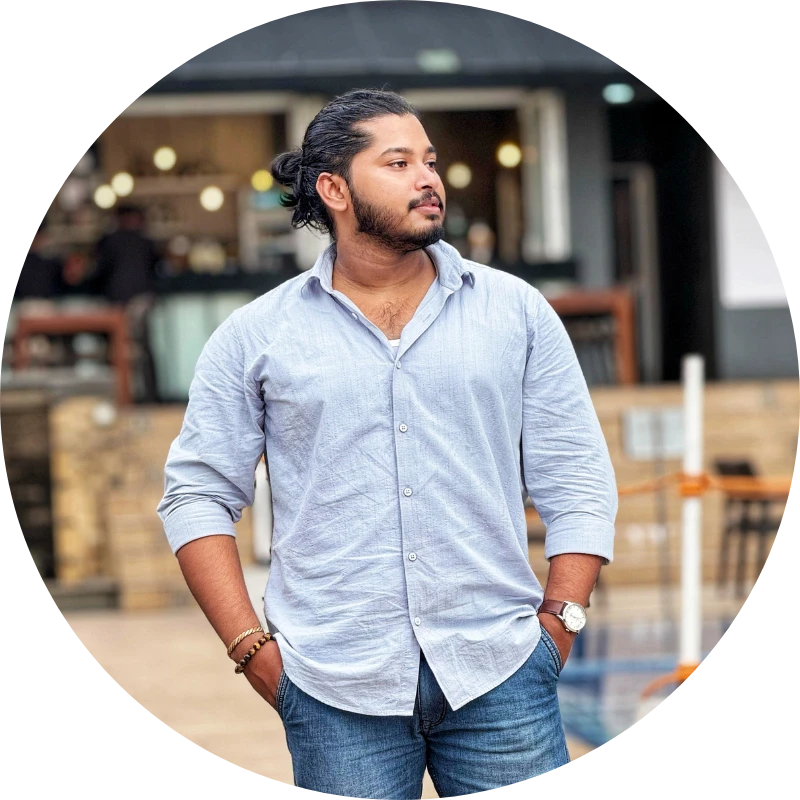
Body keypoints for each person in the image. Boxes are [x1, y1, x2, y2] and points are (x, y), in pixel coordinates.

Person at [157, 89, 618, 798]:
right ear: (334, 189)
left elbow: (577, 475)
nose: (428, 179)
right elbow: (196, 494)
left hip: (501, 674)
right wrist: (251, 648)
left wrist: (560, 622)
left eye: (429, 160)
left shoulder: (516, 313)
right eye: (398, 163)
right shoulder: (256, 336)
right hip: (333, 688)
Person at [90, 204, 160, 402]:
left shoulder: (108, 241)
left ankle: (121, 397)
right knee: (140, 350)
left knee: (121, 349)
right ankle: (146, 396)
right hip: (140, 301)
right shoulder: (145, 240)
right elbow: (157, 268)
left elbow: (98, 272)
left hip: (120, 303)